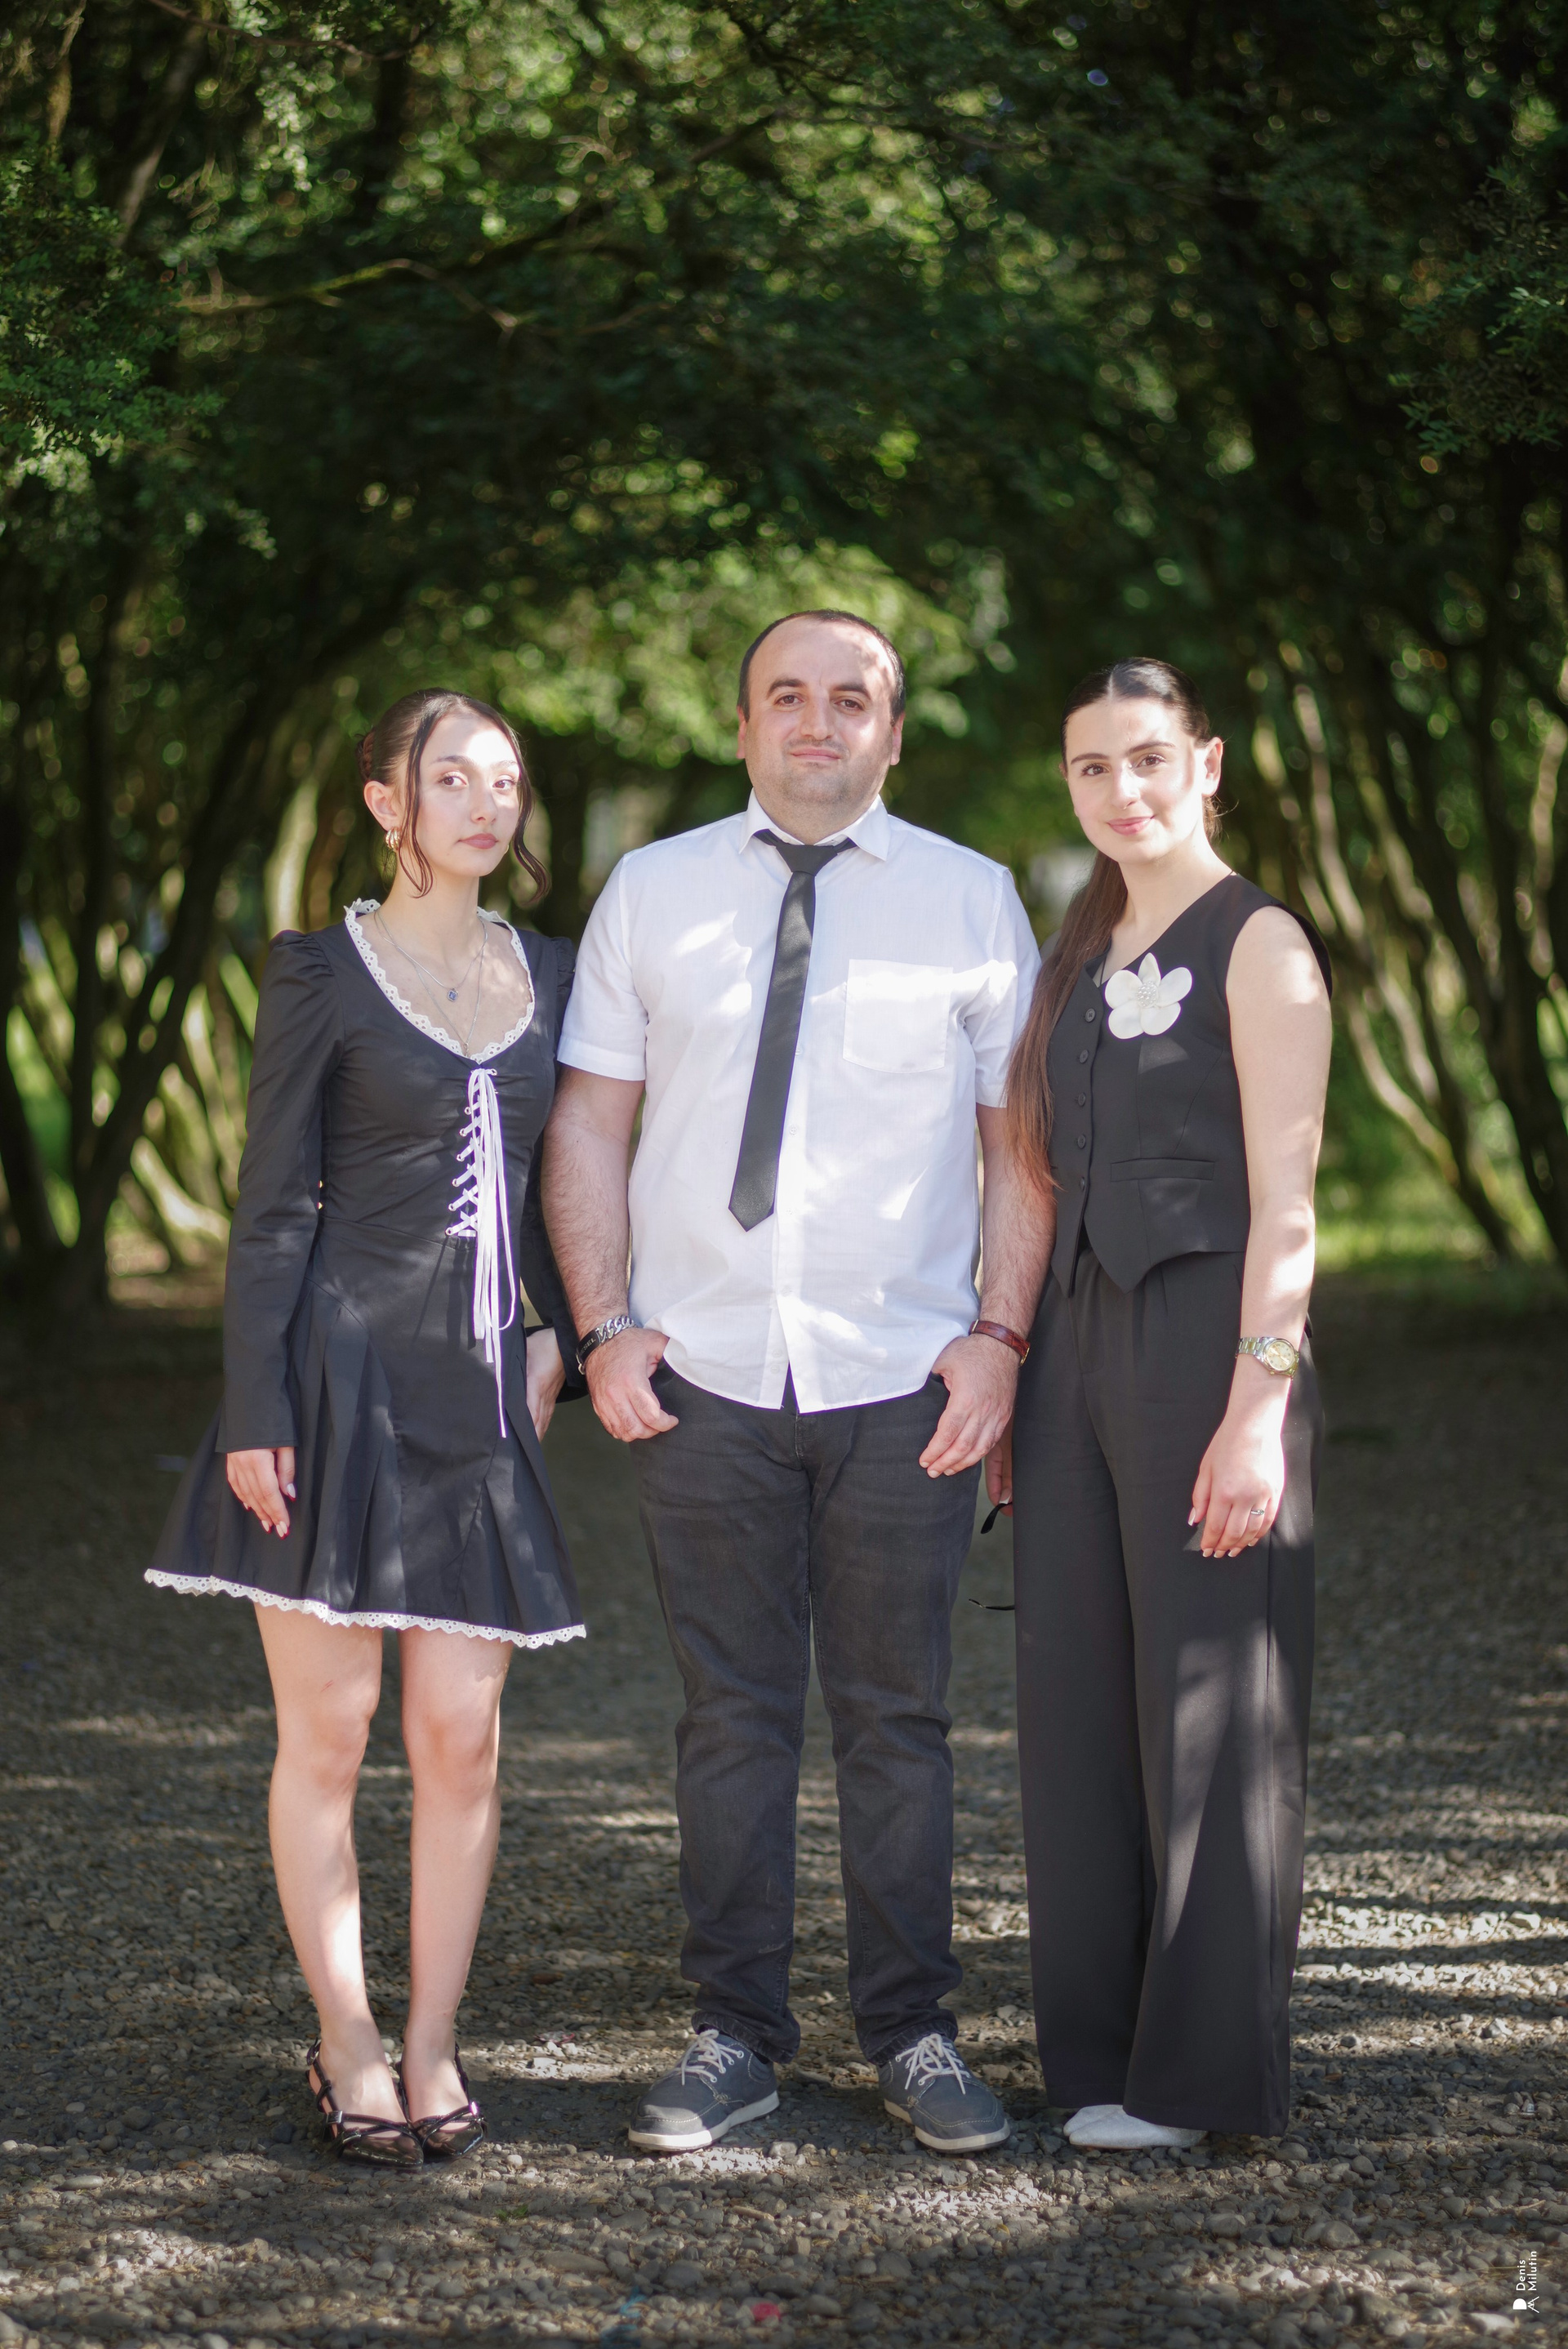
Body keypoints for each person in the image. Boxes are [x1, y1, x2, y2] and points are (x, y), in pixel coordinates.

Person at [542, 608, 1041, 2154]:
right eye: (788, 696)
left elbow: (1017, 1150)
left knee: (899, 1723)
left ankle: (914, 2032)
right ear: (745, 722)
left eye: (851, 699)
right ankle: (734, 2036)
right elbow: (588, 1125)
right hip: (702, 1378)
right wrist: (604, 1325)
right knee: (730, 1720)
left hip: (906, 1382)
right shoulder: (653, 889)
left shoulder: (972, 899)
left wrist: (1000, 1338)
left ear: (893, 730)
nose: (818, 722)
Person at [147, 689, 584, 2168]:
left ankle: (435, 2039)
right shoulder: (320, 973)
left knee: (460, 1736)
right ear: (387, 801)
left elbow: (563, 1185)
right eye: (450, 778)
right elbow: (272, 1208)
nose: (485, 802)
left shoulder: (555, 976)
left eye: (504, 780)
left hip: (479, 1393)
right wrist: (255, 1406)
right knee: (328, 1731)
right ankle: (345, 2038)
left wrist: (563, 1333)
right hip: (334, 1381)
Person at [990, 658, 1332, 2151]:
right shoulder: (1077, 951)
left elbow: (1290, 1200)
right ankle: (1098, 2060)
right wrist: (1014, 1366)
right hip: (1070, 1356)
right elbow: (1035, 1175)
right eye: (1092, 767)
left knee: (1209, 1710)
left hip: (1208, 1349)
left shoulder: (1264, 944)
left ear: (1207, 764)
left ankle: (1200, 2085)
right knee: (1074, 1704)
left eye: (1146, 759)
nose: (1121, 789)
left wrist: (1257, 1407)